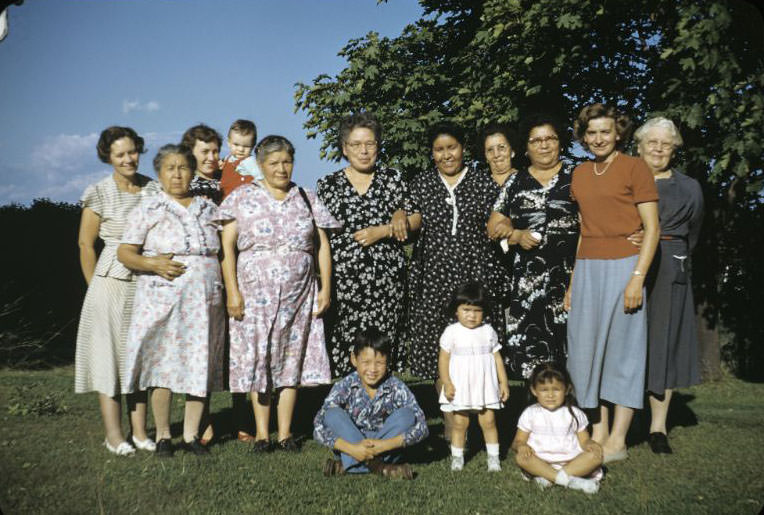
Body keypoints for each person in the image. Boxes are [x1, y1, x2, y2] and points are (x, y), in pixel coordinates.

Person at [220, 135, 340, 452]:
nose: (281, 168)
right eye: (273, 163)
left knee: (291, 360)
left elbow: (322, 245)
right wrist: (232, 291)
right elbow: (227, 248)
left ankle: (284, 433)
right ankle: (262, 434)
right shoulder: (241, 197)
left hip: (298, 296)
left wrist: (325, 287)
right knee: (260, 359)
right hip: (254, 296)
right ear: (260, 166)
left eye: (287, 161)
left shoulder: (306, 196)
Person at [566, 103, 660, 464]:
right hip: (588, 267)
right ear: (583, 137)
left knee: (623, 352)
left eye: (605, 131)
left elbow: (652, 228)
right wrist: (574, 282)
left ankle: (618, 440)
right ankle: (598, 431)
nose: (598, 138)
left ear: (618, 132)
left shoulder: (635, 168)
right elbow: (583, 230)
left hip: (625, 268)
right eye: (591, 133)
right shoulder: (580, 173)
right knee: (587, 352)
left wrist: (637, 277)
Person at [117, 144, 225, 457]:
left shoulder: (208, 208)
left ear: (193, 172)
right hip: (161, 297)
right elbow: (125, 252)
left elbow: (226, 247)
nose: (177, 174)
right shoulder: (149, 208)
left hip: (205, 299)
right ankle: (164, 435)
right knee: (161, 365)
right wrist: (155, 264)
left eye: (183, 168)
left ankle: (191, 436)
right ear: (160, 173)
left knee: (200, 361)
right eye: (169, 168)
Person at [75, 126, 161, 456]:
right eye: (120, 154)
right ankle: (114, 435)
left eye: (132, 152)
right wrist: (93, 286)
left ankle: (140, 433)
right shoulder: (98, 192)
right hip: (109, 283)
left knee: (139, 359)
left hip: (146, 284)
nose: (128, 159)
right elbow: (85, 244)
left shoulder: (153, 190)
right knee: (108, 360)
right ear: (108, 157)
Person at [316, 112, 415, 376]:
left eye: (370, 144)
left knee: (381, 353)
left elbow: (415, 219)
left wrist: (384, 229)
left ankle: (383, 410)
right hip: (344, 286)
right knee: (350, 351)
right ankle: (352, 411)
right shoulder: (328, 185)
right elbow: (320, 235)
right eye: (356, 144)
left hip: (386, 286)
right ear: (344, 148)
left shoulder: (393, 179)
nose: (363, 150)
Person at [486, 114, 579, 378]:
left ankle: (577, 416)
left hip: (572, 279)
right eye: (536, 140)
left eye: (550, 138)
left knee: (573, 352)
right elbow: (493, 227)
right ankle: (534, 418)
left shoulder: (576, 177)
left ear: (560, 143)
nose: (544, 145)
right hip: (529, 283)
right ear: (526, 148)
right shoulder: (515, 182)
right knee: (532, 357)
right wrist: (515, 235)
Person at [635, 117, 704, 454]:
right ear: (639, 146)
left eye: (667, 144)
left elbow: (694, 234)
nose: (659, 149)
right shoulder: (625, 180)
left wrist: (667, 250)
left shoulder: (689, 187)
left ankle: (657, 427)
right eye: (653, 142)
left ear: (674, 149)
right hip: (627, 264)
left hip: (670, 267)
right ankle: (621, 417)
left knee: (665, 342)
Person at [313, 328, 428, 479]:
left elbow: (423, 427)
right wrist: (353, 449)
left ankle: (346, 465)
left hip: (385, 445)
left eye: (379, 362)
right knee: (332, 414)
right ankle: (381, 467)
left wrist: (383, 446)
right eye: (366, 362)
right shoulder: (345, 385)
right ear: (354, 359)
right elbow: (318, 426)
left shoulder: (396, 387)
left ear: (388, 361)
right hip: (351, 442)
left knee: (407, 416)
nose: (372, 369)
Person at [438, 282, 509, 472]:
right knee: (460, 423)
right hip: (461, 385)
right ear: (456, 311)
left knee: (488, 421)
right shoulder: (451, 332)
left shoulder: (488, 331)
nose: (471, 315)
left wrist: (503, 383)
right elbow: (443, 360)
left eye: (477, 310)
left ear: (484, 312)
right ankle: (457, 458)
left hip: (484, 385)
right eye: (466, 310)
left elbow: (497, 358)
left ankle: (493, 458)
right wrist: (447, 382)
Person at [512, 363, 603, 494]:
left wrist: (591, 444)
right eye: (544, 390)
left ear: (567, 389)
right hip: (540, 462)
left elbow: (584, 441)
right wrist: (521, 446)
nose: (550, 395)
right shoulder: (530, 413)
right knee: (521, 458)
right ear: (534, 390)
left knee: (596, 456)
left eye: (556, 389)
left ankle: (551, 477)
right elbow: (517, 442)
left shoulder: (575, 413)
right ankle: (569, 481)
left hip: (571, 463)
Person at [481, 123, 519, 334]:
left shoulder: (525, 181)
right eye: (490, 150)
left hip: (519, 267)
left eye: (501, 148)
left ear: (512, 150)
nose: (496, 155)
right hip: (487, 272)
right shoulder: (480, 186)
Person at [220, 119, 262, 200]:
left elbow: (261, 180)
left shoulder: (250, 162)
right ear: (228, 142)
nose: (241, 149)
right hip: (225, 201)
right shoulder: (226, 159)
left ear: (253, 145)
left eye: (246, 146)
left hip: (242, 201)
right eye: (236, 144)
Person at [182, 124, 223, 205]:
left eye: (215, 152)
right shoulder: (185, 188)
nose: (211, 158)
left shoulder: (229, 177)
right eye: (205, 152)